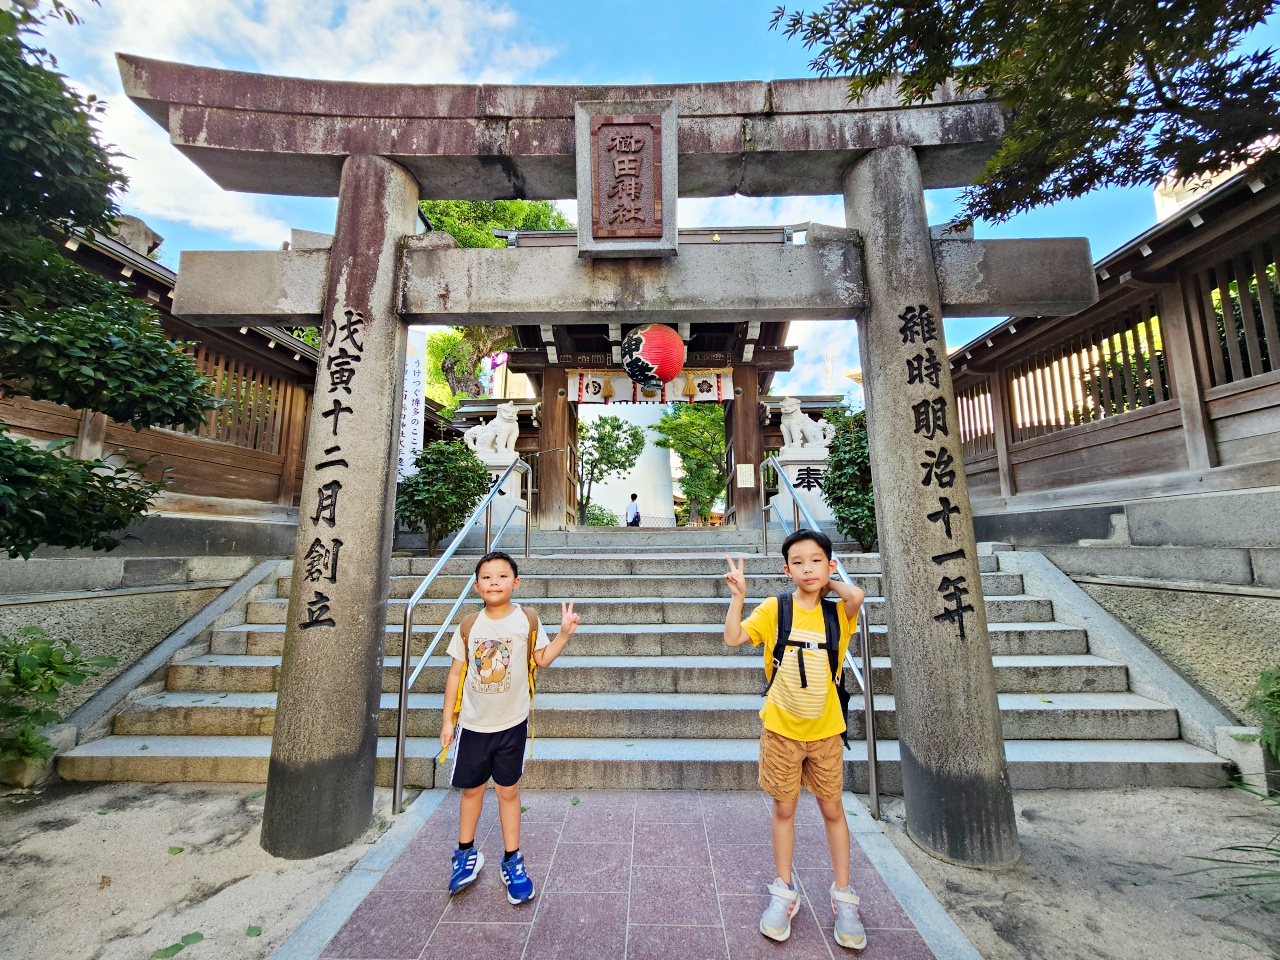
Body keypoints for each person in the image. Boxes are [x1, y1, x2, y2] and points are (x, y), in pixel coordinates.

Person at [724, 530, 868, 950]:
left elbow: (856, 597)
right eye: (799, 562)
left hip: (825, 731)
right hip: (781, 730)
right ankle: (784, 891)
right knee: (784, 808)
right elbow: (733, 638)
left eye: (817, 560)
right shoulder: (775, 608)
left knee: (832, 808)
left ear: (830, 565)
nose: (808, 568)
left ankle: (844, 897)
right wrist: (738, 597)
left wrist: (831, 580)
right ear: (786, 569)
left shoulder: (837, 612)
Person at [441, 550, 580, 905]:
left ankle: (512, 859)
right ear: (476, 586)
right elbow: (456, 673)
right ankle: (465, 853)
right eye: (486, 577)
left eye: (502, 576)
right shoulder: (469, 625)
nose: (494, 582)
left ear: (515, 583)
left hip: (512, 725)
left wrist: (564, 634)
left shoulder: (527, 620)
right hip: (472, 725)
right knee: (471, 791)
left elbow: (542, 661)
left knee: (508, 792)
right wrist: (447, 721)